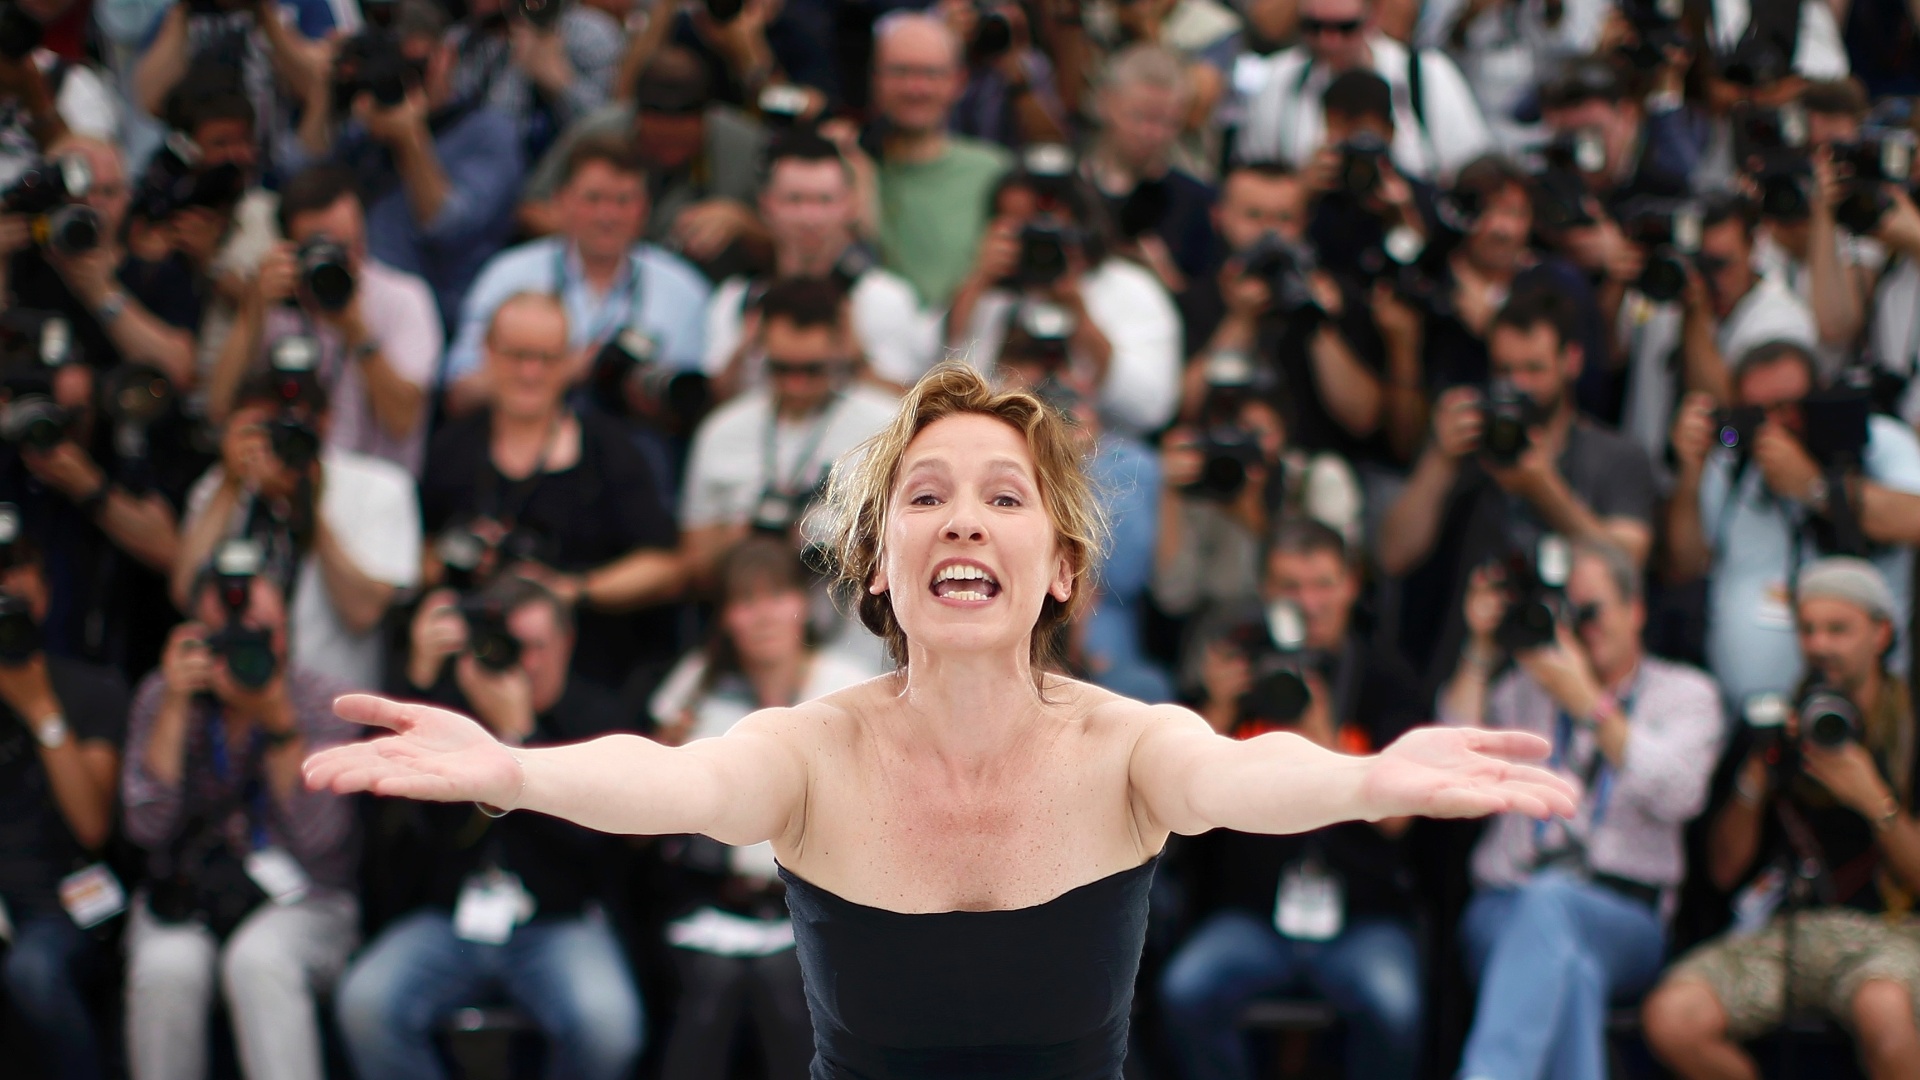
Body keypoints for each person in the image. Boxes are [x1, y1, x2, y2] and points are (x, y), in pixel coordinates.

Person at [305, 361, 1577, 1079]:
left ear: (1062, 567)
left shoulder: (1129, 747)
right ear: (877, 566)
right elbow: (672, 780)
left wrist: (1372, 782)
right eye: (925, 496)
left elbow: (1250, 777)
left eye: (1004, 498)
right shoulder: (812, 750)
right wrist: (509, 769)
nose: (964, 518)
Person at [335, 576, 644, 1080]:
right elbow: (383, 813)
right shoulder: (454, 709)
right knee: (366, 1005)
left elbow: (600, 849)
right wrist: (419, 678)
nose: (522, 663)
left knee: (606, 1026)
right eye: (508, 646)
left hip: (559, 920)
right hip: (450, 919)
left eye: (537, 647)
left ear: (567, 642)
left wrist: (521, 737)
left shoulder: (601, 718)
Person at [1439, 541, 1724, 1080]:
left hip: (1624, 914)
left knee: (1554, 910)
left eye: (1592, 612)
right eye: (1570, 613)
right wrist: (1479, 649)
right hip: (1506, 903)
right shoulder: (1525, 688)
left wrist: (1589, 704)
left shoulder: (1687, 694)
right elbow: (1448, 766)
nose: (1580, 628)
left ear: (1635, 610)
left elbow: (1677, 794)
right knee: (1572, 969)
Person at [1159, 521, 1428, 1080]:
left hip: (1362, 916)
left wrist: (1323, 735)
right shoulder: (1236, 670)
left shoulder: (1385, 681)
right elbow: (1170, 808)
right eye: (1290, 587)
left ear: (1352, 585)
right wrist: (1216, 711)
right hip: (1253, 915)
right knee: (1186, 992)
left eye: (1323, 584)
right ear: (1265, 591)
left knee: (1396, 1007)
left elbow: (1400, 820)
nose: (1308, 603)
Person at [1643, 558, 1920, 1080]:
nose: (1819, 646)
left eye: (1838, 629)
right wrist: (1756, 779)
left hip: (1892, 935)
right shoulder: (1777, 724)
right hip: (1786, 929)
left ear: (1882, 633)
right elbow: (1723, 872)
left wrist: (1873, 798)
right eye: (1808, 630)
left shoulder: (1910, 727)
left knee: (1883, 1011)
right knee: (1672, 1018)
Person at [647, 536, 879, 1080]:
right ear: (727, 617)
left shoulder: (846, 685)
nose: (762, 616)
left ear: (802, 605)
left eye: (775, 596)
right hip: (717, 900)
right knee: (708, 992)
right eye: (744, 602)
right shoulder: (699, 685)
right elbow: (659, 802)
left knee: (783, 989)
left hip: (822, 902)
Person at [122, 562, 359, 1080]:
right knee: (166, 969)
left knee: (260, 962)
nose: (245, 651)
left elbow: (323, 842)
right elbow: (146, 829)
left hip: (305, 897)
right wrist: (175, 706)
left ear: (288, 631)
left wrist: (278, 725)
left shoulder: (325, 701)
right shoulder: (163, 695)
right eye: (226, 638)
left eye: (261, 635)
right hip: (187, 891)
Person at [1380, 289, 1656, 676]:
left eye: (1534, 369)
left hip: (1577, 667)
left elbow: (1628, 562)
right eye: (1505, 371)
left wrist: (1544, 488)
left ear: (1571, 361)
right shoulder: (1466, 446)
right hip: (1476, 663)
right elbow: (1393, 554)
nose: (1519, 386)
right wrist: (1438, 459)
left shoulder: (1617, 457)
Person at [420, 292, 682, 687]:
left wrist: (572, 589)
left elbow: (665, 566)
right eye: (516, 356)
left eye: (547, 358)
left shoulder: (610, 451)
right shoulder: (452, 448)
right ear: (487, 353)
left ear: (570, 362)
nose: (530, 372)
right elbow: (419, 549)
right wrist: (454, 562)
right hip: (469, 662)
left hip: (585, 674)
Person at [1666, 341, 1920, 708]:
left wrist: (1815, 488)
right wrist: (1690, 473)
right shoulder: (1733, 463)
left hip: (1859, 713)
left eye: (1787, 407)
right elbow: (1685, 563)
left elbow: (1914, 518)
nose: (1775, 426)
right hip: (1748, 715)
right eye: (1759, 412)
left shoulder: (1876, 439)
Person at [172, 371, 422, 692]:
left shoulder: (380, 488)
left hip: (335, 705)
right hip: (230, 697)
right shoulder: (220, 486)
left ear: (327, 420)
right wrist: (231, 484)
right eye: (270, 429)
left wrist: (305, 503)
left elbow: (363, 613)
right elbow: (185, 591)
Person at [290, 0, 524, 329]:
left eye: (421, 63)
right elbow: (297, 180)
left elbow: (449, 229)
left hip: (439, 314)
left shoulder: (490, 133)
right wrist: (322, 95)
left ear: (448, 56)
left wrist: (410, 139)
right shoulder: (368, 125)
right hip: (349, 300)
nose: (411, 78)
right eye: (402, 63)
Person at [443, 136, 711, 417]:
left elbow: (698, 404)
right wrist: (558, 370)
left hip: (636, 440)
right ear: (560, 201)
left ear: (644, 207)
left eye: (623, 201)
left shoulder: (684, 289)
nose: (607, 215)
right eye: (593, 199)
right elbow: (460, 394)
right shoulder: (508, 276)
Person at [207, 165, 441, 476]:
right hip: (291, 484)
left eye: (350, 245)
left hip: (376, 492)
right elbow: (218, 407)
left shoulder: (404, 299)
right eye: (323, 249)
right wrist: (253, 310)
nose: (344, 260)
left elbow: (403, 421)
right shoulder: (279, 306)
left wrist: (357, 331)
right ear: (292, 249)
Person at [0, 533, 130, 1080]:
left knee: (33, 971)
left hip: (66, 905)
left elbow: (92, 824)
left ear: (45, 594)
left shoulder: (91, 689)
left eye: (15, 571)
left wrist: (40, 710)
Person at [680, 277, 899, 589]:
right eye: (781, 369)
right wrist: (746, 543)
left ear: (841, 346)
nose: (796, 385)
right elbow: (695, 563)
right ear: (761, 351)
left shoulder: (885, 424)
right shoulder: (722, 431)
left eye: (812, 370)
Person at [946, 150, 1182, 437]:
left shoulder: (1130, 288)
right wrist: (978, 280)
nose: (1038, 237)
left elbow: (1150, 409)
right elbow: (932, 379)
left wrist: (1079, 312)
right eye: (1020, 226)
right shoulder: (987, 293)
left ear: (1083, 224)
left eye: (1050, 225)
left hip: (1102, 451)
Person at [702, 130, 937, 393]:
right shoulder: (736, 299)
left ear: (850, 205)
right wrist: (745, 350)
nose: (810, 218)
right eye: (794, 200)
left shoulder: (885, 298)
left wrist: (856, 361)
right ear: (766, 206)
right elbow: (715, 410)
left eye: (824, 200)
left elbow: (909, 406)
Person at [517, 48, 768, 275]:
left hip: (712, 282)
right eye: (659, 142)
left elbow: (788, 243)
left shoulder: (746, 144)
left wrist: (744, 223)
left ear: (707, 120)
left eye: (682, 143)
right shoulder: (599, 132)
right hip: (598, 272)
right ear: (636, 119)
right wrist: (598, 227)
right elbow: (532, 210)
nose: (671, 154)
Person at [1236, 0, 1491, 181]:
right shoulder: (1281, 79)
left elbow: (1473, 170)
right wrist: (1302, 186)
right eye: (1315, 26)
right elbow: (1251, 179)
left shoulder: (1425, 73)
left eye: (1345, 27)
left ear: (1372, 18)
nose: (1329, 40)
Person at [863, 12, 1012, 308]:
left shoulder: (994, 171)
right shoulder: (849, 165)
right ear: (875, 79)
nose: (915, 88)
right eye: (900, 72)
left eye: (931, 74)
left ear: (959, 81)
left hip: (965, 345)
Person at [1082, 45, 1218, 293]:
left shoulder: (1197, 202)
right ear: (1106, 103)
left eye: (1168, 122)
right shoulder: (1070, 187)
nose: (1153, 134)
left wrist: (1163, 275)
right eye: (1140, 117)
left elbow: (1204, 307)